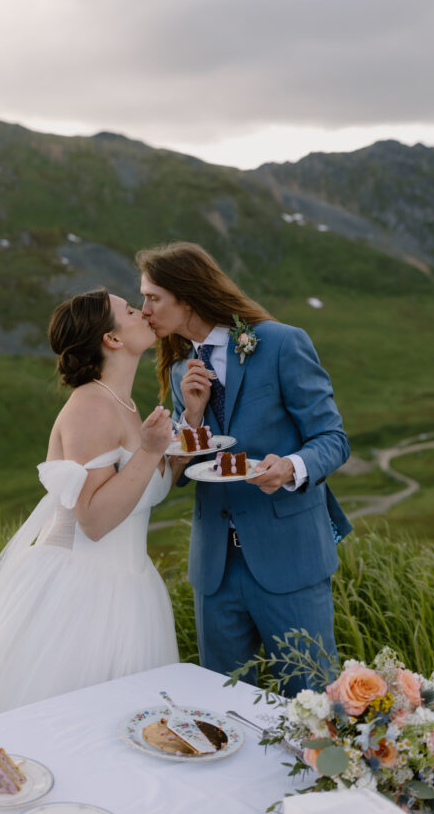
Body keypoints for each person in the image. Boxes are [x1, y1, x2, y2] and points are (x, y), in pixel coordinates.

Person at [0, 288, 179, 739]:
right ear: (112, 339)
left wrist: (185, 427)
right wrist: (150, 452)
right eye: (131, 311)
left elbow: (143, 491)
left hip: (130, 586)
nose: (144, 314)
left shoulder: (124, 404)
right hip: (80, 593)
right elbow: (94, 520)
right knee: (51, 735)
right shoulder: (91, 408)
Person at [137, 242, 351, 695]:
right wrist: (191, 416)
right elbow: (186, 460)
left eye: (152, 297)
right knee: (223, 709)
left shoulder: (280, 342)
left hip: (289, 558)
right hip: (214, 568)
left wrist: (291, 468)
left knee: (313, 706)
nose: (144, 310)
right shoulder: (180, 370)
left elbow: (333, 439)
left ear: (186, 296)